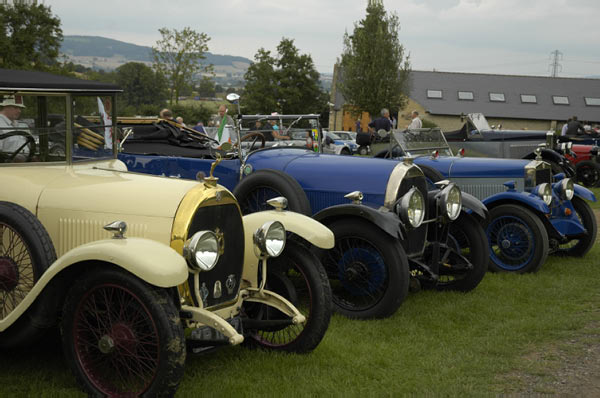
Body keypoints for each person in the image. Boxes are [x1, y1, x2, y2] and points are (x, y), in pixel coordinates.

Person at [0, 95, 31, 161]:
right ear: (6, 107)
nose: (19, 111)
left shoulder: (20, 125)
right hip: (8, 166)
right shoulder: (1, 124)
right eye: (16, 107)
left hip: (26, 163)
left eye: (20, 108)